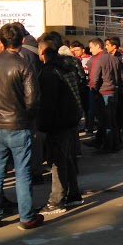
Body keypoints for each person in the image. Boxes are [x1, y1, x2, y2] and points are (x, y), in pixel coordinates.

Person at [0, 22, 42, 230]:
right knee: (22, 172)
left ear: (1, 43)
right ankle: (26, 217)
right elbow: (32, 100)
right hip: (17, 124)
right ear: (21, 41)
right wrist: (25, 115)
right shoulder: (23, 65)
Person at [36, 41, 83, 215]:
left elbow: (48, 103)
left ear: (42, 52)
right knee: (67, 158)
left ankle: (56, 200)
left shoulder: (49, 72)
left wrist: (42, 125)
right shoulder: (68, 67)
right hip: (71, 118)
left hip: (58, 121)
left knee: (57, 162)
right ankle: (73, 193)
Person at [88, 37, 123, 153]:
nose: (90, 50)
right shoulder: (114, 59)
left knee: (106, 122)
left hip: (104, 93)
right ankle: (116, 143)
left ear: (98, 46)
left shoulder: (98, 60)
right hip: (114, 91)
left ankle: (108, 146)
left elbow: (94, 78)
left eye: (91, 47)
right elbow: (119, 77)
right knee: (112, 120)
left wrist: (94, 91)